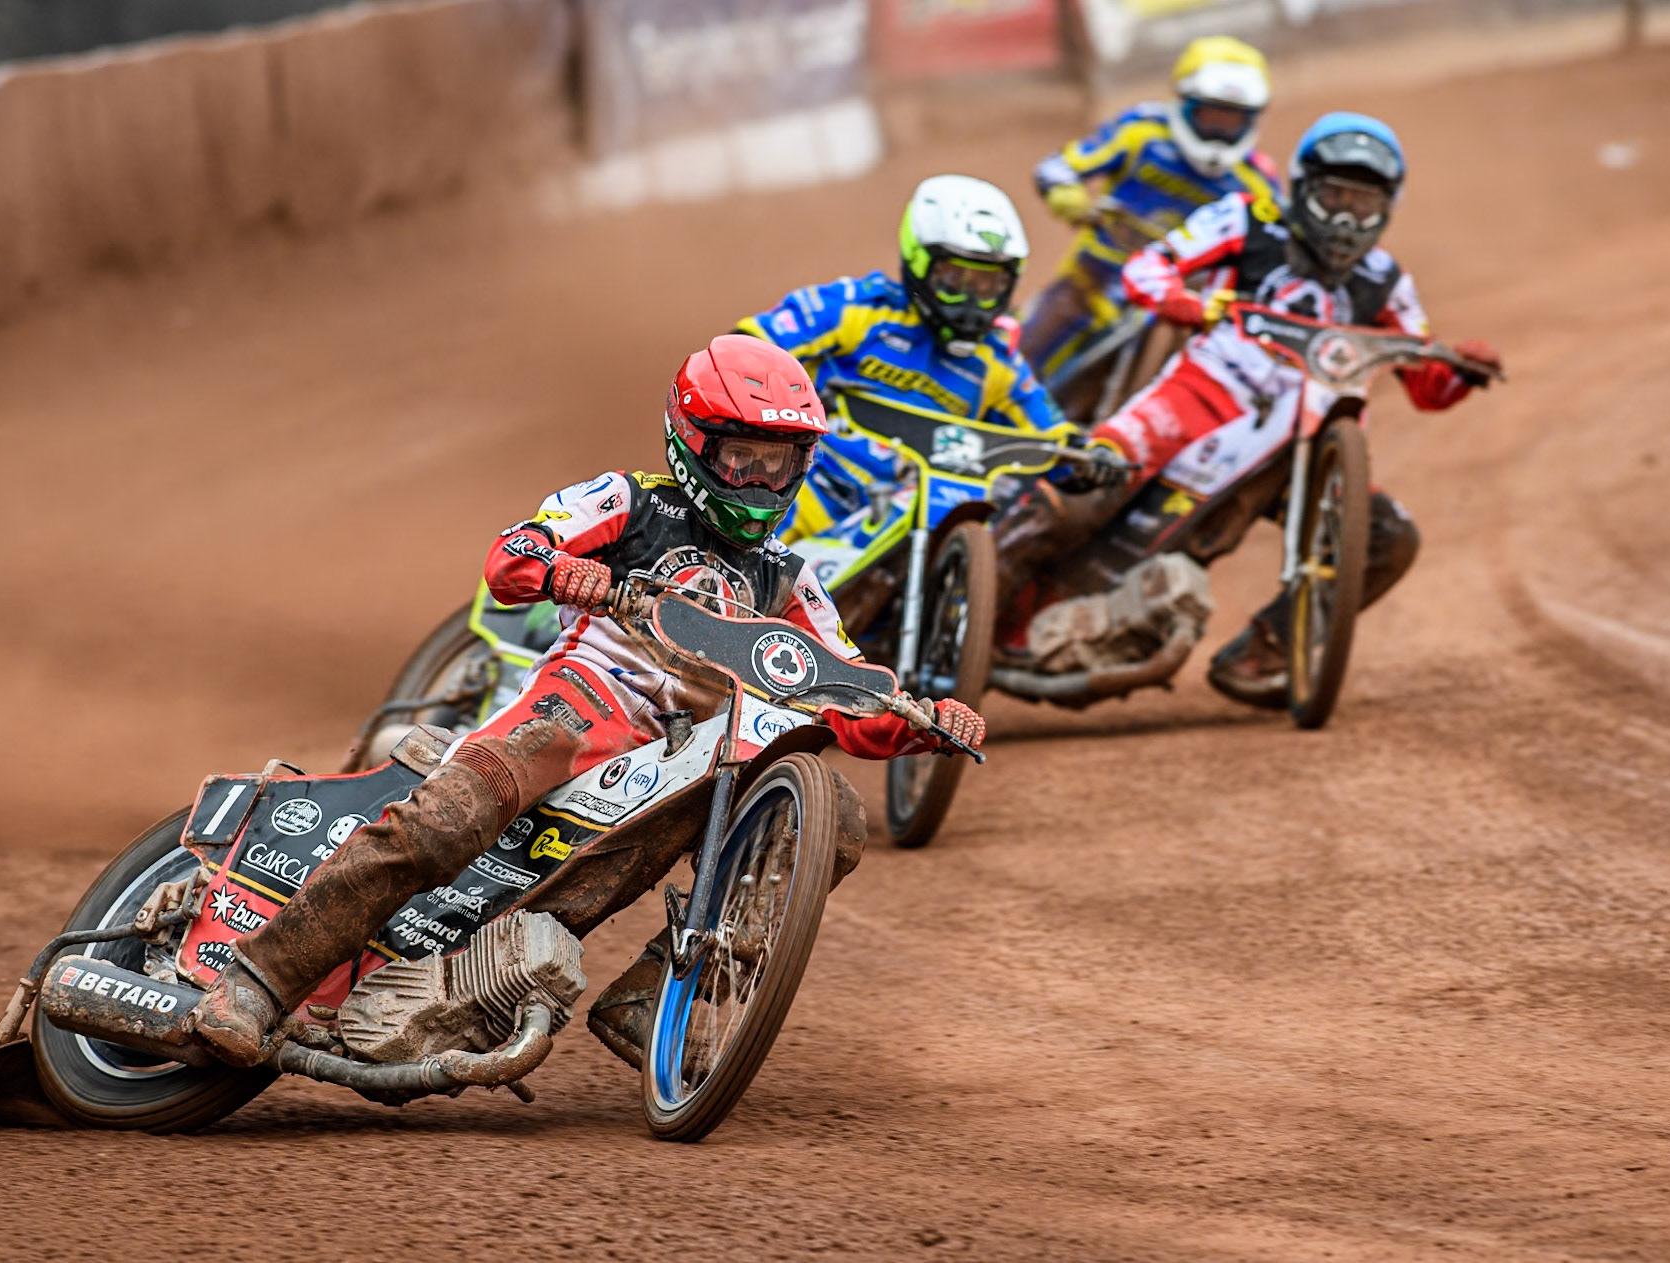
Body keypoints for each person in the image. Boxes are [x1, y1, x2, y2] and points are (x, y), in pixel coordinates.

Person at [188, 335, 987, 1068]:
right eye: (741, 457)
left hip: (682, 756)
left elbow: (849, 690)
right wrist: (565, 569)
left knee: (834, 811)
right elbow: (512, 553)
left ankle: (650, 995)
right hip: (579, 705)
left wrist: (926, 721)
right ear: (694, 443)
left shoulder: (791, 578)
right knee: (448, 817)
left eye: (778, 464)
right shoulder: (630, 501)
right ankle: (257, 981)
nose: (759, 481)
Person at [996, 113, 1503, 706]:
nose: (1345, 220)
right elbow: (1148, 268)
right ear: (1303, 187)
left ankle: (1267, 652)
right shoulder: (1248, 219)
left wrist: (1462, 371)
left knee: (1389, 538)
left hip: (1301, 448)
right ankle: (965, 611)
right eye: (1334, 198)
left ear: (1387, 209)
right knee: (1082, 483)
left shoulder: (1385, 281)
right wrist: (1184, 303)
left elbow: (1426, 385)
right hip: (1200, 397)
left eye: (1362, 205)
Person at [735, 174, 1118, 545]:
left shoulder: (998, 365)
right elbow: (747, 347)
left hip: (912, 525)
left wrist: (1093, 458)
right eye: (956, 281)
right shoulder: (856, 308)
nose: (971, 302)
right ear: (918, 262)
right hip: (809, 491)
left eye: (987, 285)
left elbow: (1053, 437)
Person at [1018, 36, 1280, 394]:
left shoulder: (1257, 182)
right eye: (1212, 115)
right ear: (1185, 103)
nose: (1220, 130)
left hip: (1181, 302)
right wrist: (1068, 196)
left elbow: (1278, 246)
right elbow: (1058, 166)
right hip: (1095, 280)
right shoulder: (1141, 132)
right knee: (1024, 353)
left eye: (1232, 120)